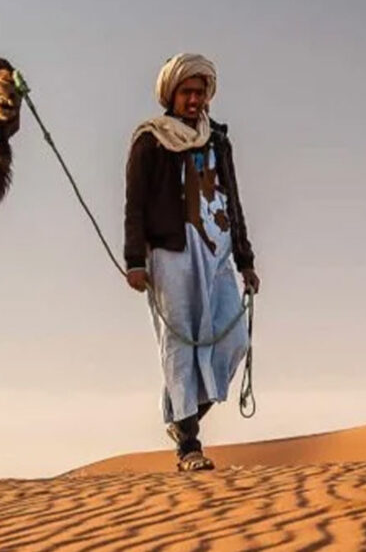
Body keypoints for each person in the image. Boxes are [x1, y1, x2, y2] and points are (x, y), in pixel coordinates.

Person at [124, 53, 260, 472]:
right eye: (187, 91)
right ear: (171, 94)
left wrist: (245, 259)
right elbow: (135, 203)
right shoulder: (151, 140)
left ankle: (182, 419)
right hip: (171, 252)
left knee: (234, 341)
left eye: (200, 92)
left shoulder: (217, 140)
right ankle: (189, 446)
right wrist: (134, 259)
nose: (195, 99)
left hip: (217, 251)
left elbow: (232, 198)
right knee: (179, 344)